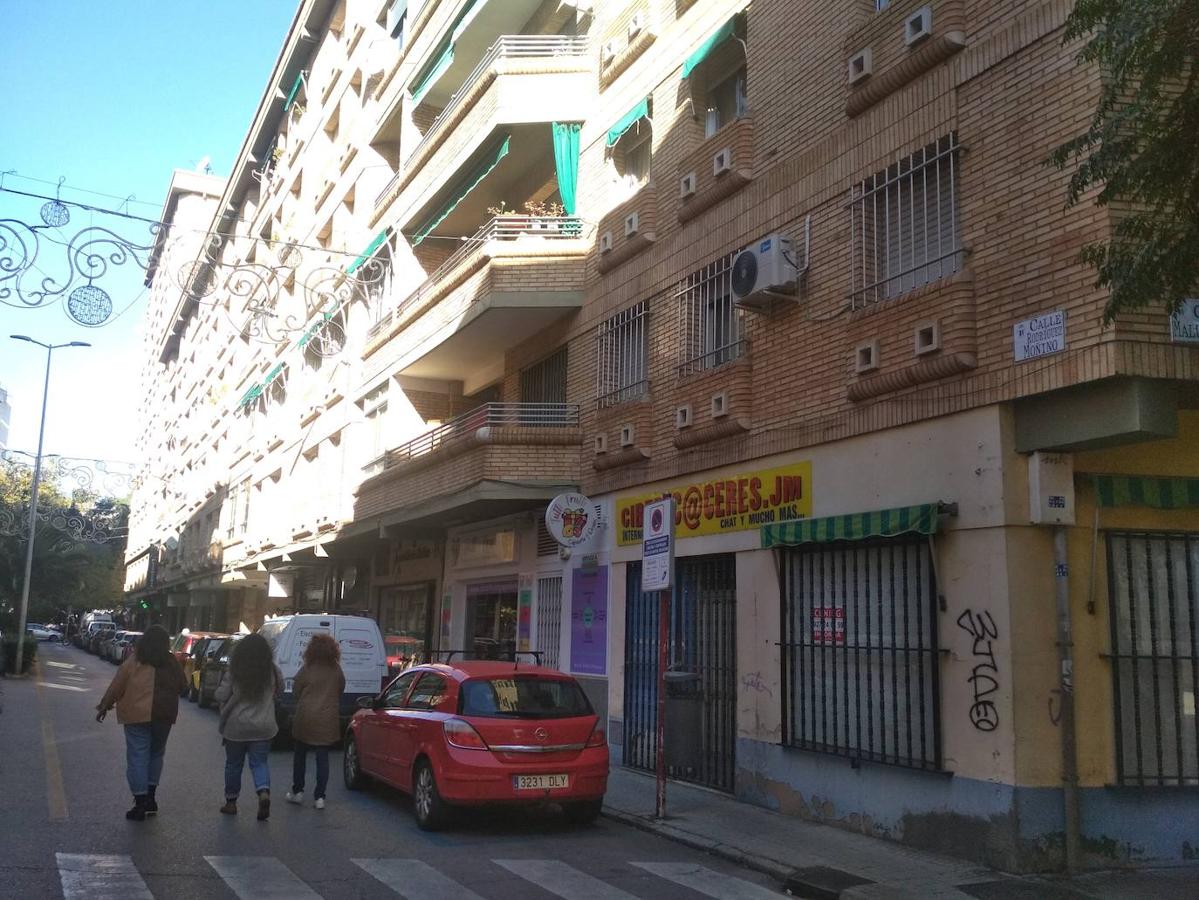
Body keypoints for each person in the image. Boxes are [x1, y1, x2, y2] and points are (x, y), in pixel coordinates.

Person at [95, 624, 187, 821]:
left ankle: (140, 802)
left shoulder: (134, 660)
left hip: (136, 715)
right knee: (156, 754)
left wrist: (104, 706)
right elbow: (183, 686)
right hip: (164, 716)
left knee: (138, 756)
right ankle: (151, 798)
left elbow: (117, 685)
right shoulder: (172, 662)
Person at [216, 633, 282, 820]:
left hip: (236, 726)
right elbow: (281, 687)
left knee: (233, 765)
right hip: (263, 725)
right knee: (259, 763)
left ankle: (231, 802)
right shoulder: (272, 671)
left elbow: (221, 695)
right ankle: (263, 792)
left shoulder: (235, 670)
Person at [286, 633, 345, 810]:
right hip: (327, 718)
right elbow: (341, 688)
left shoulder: (307, 668)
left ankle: (298, 791)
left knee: (300, 756)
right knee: (322, 758)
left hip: (306, 717)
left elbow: (296, 689)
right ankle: (320, 797)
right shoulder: (336, 670)